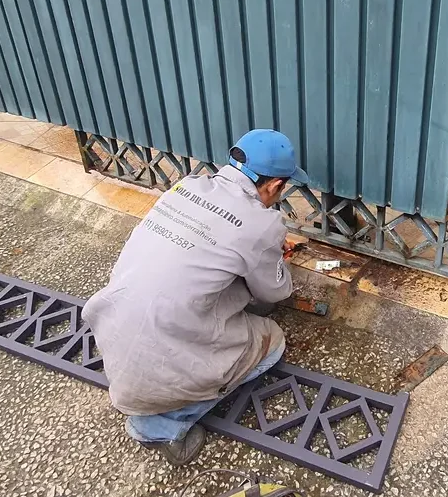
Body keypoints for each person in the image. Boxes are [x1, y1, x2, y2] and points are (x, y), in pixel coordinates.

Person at [82, 129, 309, 465]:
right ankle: (157, 425)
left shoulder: (185, 187)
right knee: (272, 343)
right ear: (275, 186)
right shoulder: (262, 224)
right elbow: (274, 291)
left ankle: (155, 400)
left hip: (112, 332)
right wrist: (271, 256)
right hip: (158, 365)